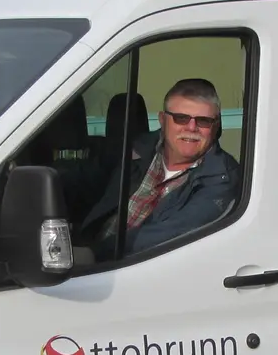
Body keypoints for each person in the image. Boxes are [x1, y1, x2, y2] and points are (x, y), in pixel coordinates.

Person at [78, 78, 240, 258]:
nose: (192, 127)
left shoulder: (222, 178)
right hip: (88, 255)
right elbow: (83, 181)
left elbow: (169, 235)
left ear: (215, 125)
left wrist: (92, 255)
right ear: (163, 120)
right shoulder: (134, 148)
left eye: (203, 121)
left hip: (139, 267)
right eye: (181, 118)